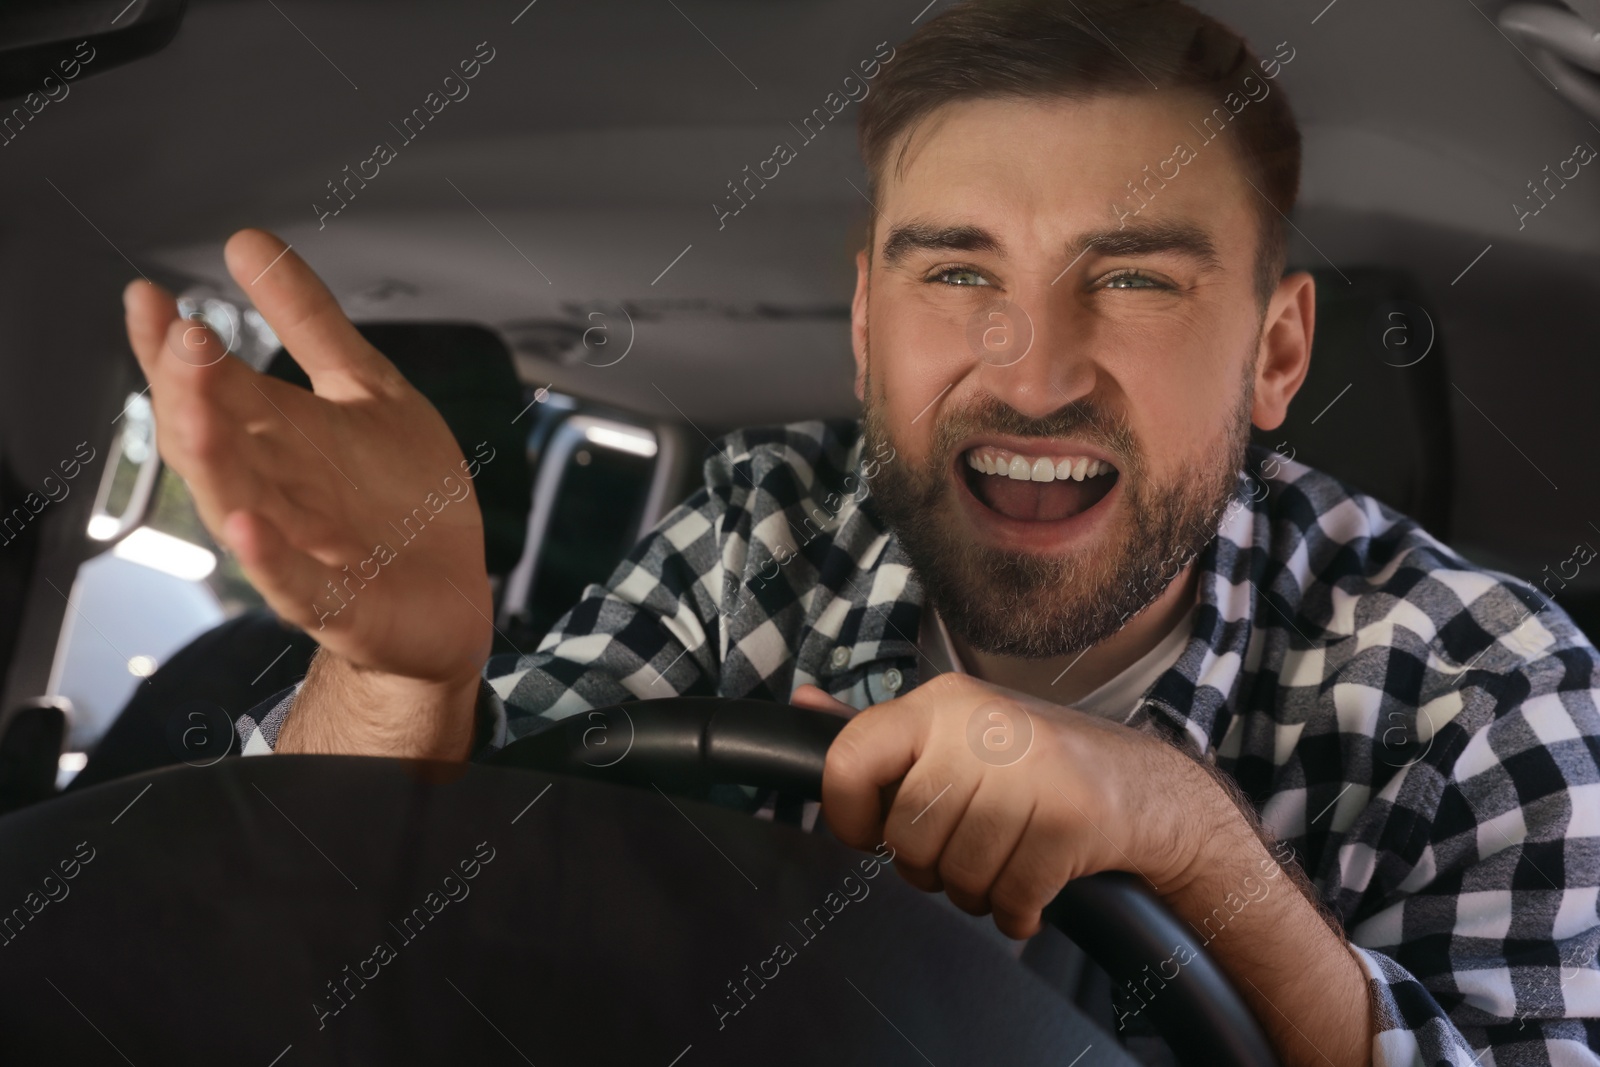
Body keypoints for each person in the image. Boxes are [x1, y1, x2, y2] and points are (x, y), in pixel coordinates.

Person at [120, 1, 1600, 1064]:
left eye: (1135, 281)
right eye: (958, 274)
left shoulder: (1484, 685)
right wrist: (393, 681)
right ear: (863, 324)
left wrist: (1188, 839)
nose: (1033, 370)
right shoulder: (764, 538)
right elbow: (337, 946)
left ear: (1276, 354)